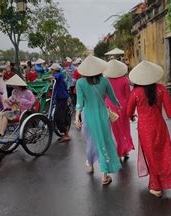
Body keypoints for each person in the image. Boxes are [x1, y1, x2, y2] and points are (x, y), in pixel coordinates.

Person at [127, 60, 171, 197]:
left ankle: (156, 185)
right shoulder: (161, 89)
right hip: (160, 126)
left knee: (151, 156)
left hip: (145, 129)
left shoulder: (136, 92)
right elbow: (169, 108)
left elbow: (129, 111)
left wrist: (131, 117)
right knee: (164, 153)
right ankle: (165, 180)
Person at [74, 55, 122, 185]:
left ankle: (90, 164)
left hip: (88, 117)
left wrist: (77, 116)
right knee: (105, 142)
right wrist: (118, 105)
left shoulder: (80, 83)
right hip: (102, 116)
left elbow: (79, 103)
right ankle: (105, 175)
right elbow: (112, 98)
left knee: (91, 141)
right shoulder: (105, 81)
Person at [103, 59, 135, 161]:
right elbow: (129, 96)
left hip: (110, 106)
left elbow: (104, 96)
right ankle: (125, 151)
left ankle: (118, 151)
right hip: (123, 106)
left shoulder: (105, 80)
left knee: (115, 130)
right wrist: (131, 112)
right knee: (125, 128)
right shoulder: (125, 80)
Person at [46, 63, 72, 143]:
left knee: (58, 117)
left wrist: (45, 78)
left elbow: (54, 77)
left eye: (51, 69)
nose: (50, 71)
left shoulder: (59, 75)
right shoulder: (58, 77)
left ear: (54, 70)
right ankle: (65, 133)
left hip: (62, 99)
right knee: (58, 116)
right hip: (59, 98)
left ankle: (66, 135)